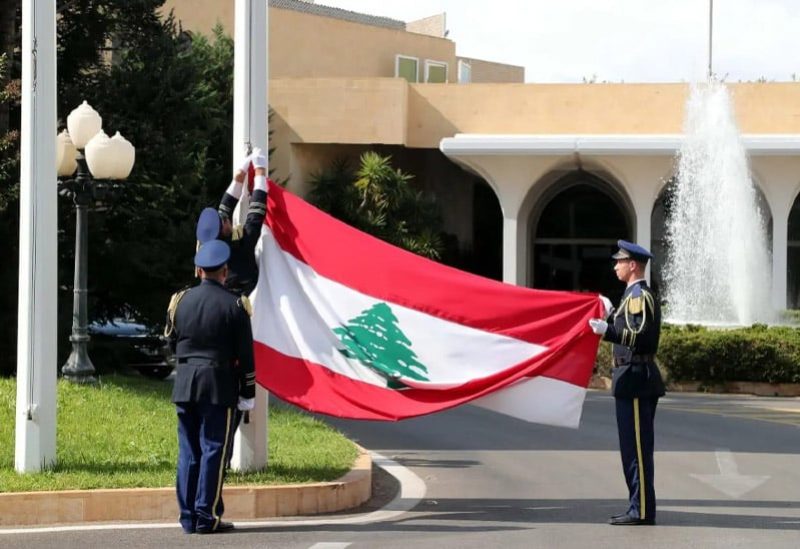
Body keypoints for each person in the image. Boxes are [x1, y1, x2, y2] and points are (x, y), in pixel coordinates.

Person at [165, 234, 256, 535]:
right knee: (214, 449)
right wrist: (248, 393)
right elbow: (245, 357)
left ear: (200, 270)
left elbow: (171, 342)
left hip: (185, 383)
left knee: (188, 451)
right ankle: (207, 515)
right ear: (225, 271)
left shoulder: (180, 301)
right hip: (218, 385)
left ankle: (188, 516)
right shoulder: (236, 306)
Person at [588, 239, 665, 526]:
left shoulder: (638, 296)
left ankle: (642, 510)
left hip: (635, 379)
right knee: (632, 449)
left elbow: (640, 336)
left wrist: (606, 330)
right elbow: (630, 327)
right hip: (631, 378)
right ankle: (639, 506)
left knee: (636, 450)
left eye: (619, 261)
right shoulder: (631, 295)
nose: (615, 265)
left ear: (633, 265)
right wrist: (610, 317)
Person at [217, 147, 269, 297]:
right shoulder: (241, 245)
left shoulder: (208, 240)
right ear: (225, 230)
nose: (227, 219)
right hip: (245, 298)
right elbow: (256, 213)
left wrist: (239, 176)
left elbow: (223, 210)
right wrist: (260, 173)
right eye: (226, 221)